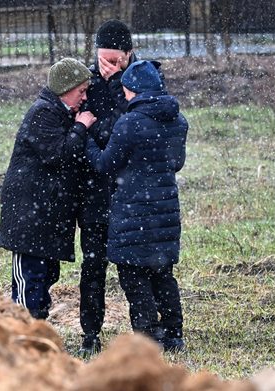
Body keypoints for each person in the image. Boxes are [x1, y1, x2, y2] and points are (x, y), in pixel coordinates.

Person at [84, 60, 188, 353]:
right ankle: (174, 336)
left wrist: (88, 137)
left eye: (126, 92)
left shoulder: (129, 123)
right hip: (165, 212)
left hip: (133, 212)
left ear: (133, 90)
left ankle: (147, 338)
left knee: (134, 276)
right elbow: (176, 163)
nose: (125, 97)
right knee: (163, 275)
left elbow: (105, 164)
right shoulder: (178, 120)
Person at [77, 19, 167, 357]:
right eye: (104, 60)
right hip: (95, 192)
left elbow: (125, 129)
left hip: (133, 195)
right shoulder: (87, 83)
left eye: (116, 60)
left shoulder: (146, 81)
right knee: (93, 267)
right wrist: (100, 132)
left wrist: (117, 83)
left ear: (130, 54)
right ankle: (90, 334)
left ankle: (148, 335)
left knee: (139, 268)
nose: (108, 67)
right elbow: (92, 131)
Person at [0, 58, 97, 320]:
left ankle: (36, 327)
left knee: (46, 273)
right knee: (30, 277)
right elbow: (59, 155)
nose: (84, 98)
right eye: (81, 91)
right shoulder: (42, 113)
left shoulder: (60, 112)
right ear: (65, 88)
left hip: (45, 213)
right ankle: (23, 331)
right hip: (29, 214)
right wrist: (81, 127)